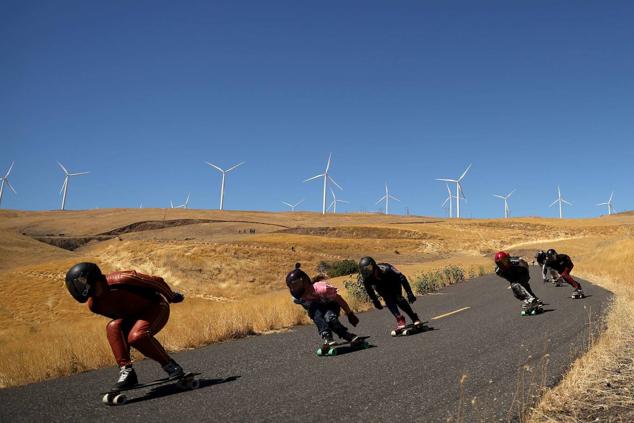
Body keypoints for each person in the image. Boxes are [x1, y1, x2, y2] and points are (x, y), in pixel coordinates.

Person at [65, 262, 187, 390]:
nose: (77, 287)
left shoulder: (122, 280)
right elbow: (119, 319)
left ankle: (171, 366)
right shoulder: (95, 305)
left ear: (91, 278)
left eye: (80, 282)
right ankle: (127, 372)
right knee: (112, 327)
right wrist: (124, 344)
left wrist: (171, 297)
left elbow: (156, 281)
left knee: (137, 337)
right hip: (135, 317)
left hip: (156, 307)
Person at [285, 263, 362, 347]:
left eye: (296, 285)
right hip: (317, 309)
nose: (294, 289)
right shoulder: (297, 298)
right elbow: (311, 310)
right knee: (314, 309)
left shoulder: (322, 289)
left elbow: (339, 299)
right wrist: (317, 316)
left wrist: (350, 314)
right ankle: (327, 337)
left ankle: (347, 335)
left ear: (305, 282)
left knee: (330, 319)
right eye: (291, 287)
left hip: (331, 305)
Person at [358, 257, 421, 331]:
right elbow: (369, 290)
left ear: (373, 265)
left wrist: (409, 292)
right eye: (364, 269)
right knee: (388, 299)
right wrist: (375, 301)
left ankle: (414, 318)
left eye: (368, 268)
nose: (366, 271)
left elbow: (402, 277)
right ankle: (400, 319)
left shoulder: (386, 268)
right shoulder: (366, 278)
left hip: (393, 281)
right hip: (380, 285)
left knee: (399, 299)